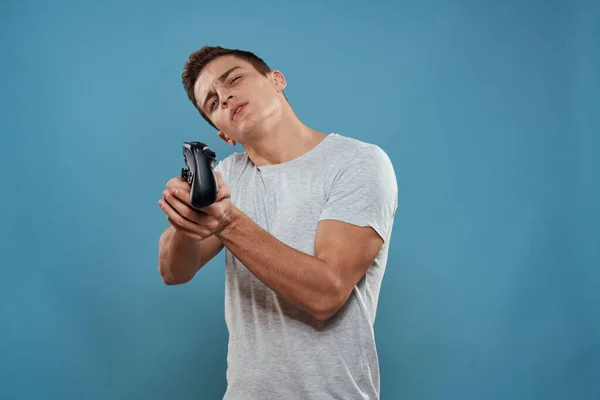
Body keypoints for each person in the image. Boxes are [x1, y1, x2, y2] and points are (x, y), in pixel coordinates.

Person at [157, 45, 398, 400]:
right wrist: (184, 219)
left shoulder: (357, 162)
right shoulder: (225, 179)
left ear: (276, 80)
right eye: (212, 102)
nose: (224, 96)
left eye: (233, 79)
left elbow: (326, 292)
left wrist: (226, 221)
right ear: (225, 135)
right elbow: (173, 271)